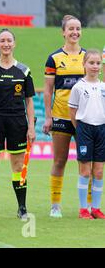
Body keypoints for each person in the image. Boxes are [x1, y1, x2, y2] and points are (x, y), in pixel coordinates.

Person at [0, 28, 36, 219]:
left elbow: (29, 101)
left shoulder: (24, 71)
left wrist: (31, 127)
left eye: (9, 40)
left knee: (18, 166)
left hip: (18, 122)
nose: (6, 44)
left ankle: (22, 208)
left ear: (14, 43)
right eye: (2, 41)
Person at [43, 15, 87, 218]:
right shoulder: (54, 58)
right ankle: (55, 205)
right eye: (71, 29)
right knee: (59, 161)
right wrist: (48, 116)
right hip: (61, 117)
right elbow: (48, 91)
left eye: (78, 28)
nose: (75, 32)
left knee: (86, 162)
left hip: (85, 118)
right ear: (63, 32)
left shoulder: (88, 57)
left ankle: (86, 207)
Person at [68, 49, 105, 219]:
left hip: (101, 130)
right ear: (84, 64)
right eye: (91, 63)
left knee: (98, 172)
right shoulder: (78, 87)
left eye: (98, 63)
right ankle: (83, 209)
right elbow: (72, 111)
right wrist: (80, 129)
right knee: (85, 171)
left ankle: (96, 208)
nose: (95, 66)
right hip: (84, 129)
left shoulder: (103, 87)